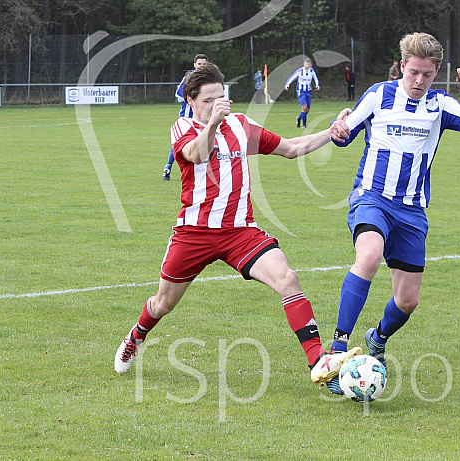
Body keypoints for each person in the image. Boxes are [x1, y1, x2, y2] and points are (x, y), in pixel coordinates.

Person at [114, 63, 361, 389]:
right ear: (191, 99)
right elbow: (196, 154)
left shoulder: (242, 125)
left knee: (288, 278)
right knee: (163, 304)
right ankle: (137, 335)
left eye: (222, 98)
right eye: (208, 100)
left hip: (240, 231)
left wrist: (332, 131)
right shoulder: (182, 126)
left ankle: (318, 360)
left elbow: (289, 148)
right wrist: (213, 122)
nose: (218, 104)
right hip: (194, 233)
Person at [327, 32, 460, 395]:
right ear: (402, 66)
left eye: (428, 75)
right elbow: (345, 134)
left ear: (437, 73)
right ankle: (337, 351)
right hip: (372, 197)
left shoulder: (440, 105)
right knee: (368, 257)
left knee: (407, 300)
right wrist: (339, 130)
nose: (419, 81)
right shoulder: (379, 95)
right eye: (414, 72)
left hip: (413, 210)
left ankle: (377, 337)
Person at [163, 53, 209, 181]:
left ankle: (203, 172)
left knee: (205, 141)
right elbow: (178, 93)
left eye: (204, 64)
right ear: (194, 65)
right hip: (186, 117)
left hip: (202, 117)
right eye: (199, 64)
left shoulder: (209, 78)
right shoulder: (189, 77)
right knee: (180, 143)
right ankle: (168, 167)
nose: (201, 66)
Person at [284, 57, 320, 129]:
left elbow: (315, 78)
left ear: (310, 65)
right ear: (304, 64)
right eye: (306, 64)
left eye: (308, 64)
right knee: (304, 107)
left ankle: (299, 118)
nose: (307, 66)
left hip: (308, 91)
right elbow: (292, 77)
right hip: (301, 91)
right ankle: (304, 124)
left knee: (307, 110)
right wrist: (287, 84)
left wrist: (317, 84)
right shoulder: (300, 71)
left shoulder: (312, 71)